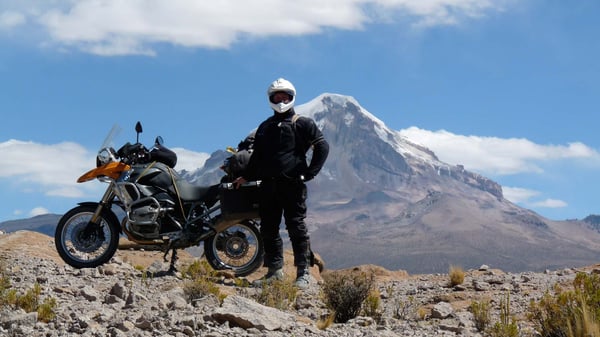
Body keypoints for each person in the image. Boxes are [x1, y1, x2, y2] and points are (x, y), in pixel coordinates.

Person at [234, 78, 329, 289]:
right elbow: (257, 156)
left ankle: (303, 273)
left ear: (292, 96)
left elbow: (322, 147)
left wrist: (309, 173)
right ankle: (274, 272)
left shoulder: (302, 123)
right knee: (269, 228)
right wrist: (246, 176)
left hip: (292, 185)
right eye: (277, 96)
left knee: (296, 227)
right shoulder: (265, 127)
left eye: (285, 95)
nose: (281, 99)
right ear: (271, 98)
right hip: (267, 185)